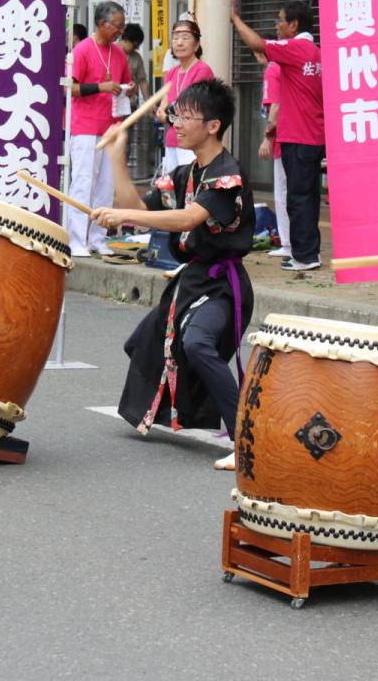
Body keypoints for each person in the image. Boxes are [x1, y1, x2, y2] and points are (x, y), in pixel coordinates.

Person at [90, 79, 254, 472]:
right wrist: (116, 157)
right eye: (175, 114)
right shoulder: (184, 175)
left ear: (213, 125)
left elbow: (187, 218)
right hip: (194, 281)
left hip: (223, 287)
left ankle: (247, 441)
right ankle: (162, 413)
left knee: (197, 344)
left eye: (185, 116)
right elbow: (133, 205)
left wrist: (127, 216)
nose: (175, 122)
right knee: (145, 342)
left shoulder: (226, 175)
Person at [231, 0, 325, 271]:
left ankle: (305, 256)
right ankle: (308, 252)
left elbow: (258, 44)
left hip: (299, 137)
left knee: (298, 199)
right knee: (306, 198)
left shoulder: (297, 48)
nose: (277, 25)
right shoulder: (316, 52)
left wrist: (236, 19)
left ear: (293, 25)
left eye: (280, 20)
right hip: (310, 135)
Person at [65, 1, 132, 258]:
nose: (120, 31)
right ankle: (77, 239)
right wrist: (101, 87)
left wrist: (130, 88)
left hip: (110, 127)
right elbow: (70, 88)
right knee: (83, 183)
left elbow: (125, 82)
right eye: (118, 26)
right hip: (84, 127)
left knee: (106, 186)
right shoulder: (81, 50)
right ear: (102, 24)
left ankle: (98, 237)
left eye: (122, 27)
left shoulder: (119, 54)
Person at [156, 19, 214, 173]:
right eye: (175, 38)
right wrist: (165, 112)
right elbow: (163, 106)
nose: (179, 43)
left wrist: (168, 113)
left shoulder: (202, 70)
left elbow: (193, 109)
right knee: (171, 191)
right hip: (172, 139)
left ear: (196, 45)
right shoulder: (171, 73)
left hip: (193, 142)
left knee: (190, 190)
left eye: (185, 38)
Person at [259, 59, 290, 258]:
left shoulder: (272, 68)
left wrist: (267, 139)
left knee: (282, 194)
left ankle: (288, 243)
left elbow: (275, 107)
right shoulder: (287, 67)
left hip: (284, 138)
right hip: (299, 137)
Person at [119, 23, 149, 107]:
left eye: (138, 45)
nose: (137, 48)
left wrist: (149, 103)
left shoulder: (137, 57)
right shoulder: (111, 52)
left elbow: (142, 81)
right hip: (112, 103)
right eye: (135, 45)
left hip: (130, 104)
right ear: (126, 39)